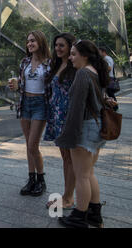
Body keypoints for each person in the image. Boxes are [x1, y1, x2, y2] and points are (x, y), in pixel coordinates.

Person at [55, 40, 114, 228]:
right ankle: (94, 214)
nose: (70, 58)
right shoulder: (97, 72)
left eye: (73, 54)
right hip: (95, 128)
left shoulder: (82, 74)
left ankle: (79, 217)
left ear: (85, 55)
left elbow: (76, 109)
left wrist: (67, 136)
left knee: (81, 176)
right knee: (88, 174)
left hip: (84, 129)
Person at [9, 30, 51, 197]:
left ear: (40, 42)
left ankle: (41, 180)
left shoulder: (49, 63)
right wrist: (16, 86)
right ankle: (31, 179)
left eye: (33, 41)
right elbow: (21, 83)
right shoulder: (25, 62)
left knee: (33, 144)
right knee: (28, 144)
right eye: (28, 41)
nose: (30, 44)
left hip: (41, 104)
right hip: (25, 103)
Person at [43, 33, 77, 211]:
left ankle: (68, 198)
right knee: (66, 158)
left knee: (71, 159)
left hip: (67, 117)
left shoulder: (75, 66)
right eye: (56, 45)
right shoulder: (55, 64)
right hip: (56, 115)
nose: (58, 48)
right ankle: (67, 195)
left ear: (70, 46)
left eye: (62, 45)